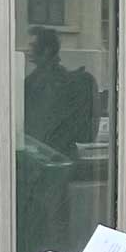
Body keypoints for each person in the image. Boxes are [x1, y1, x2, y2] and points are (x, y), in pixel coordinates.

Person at [23, 28, 99, 158]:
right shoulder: (35, 81)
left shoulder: (56, 83)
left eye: (32, 45)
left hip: (54, 157)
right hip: (44, 155)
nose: (27, 50)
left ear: (46, 50)